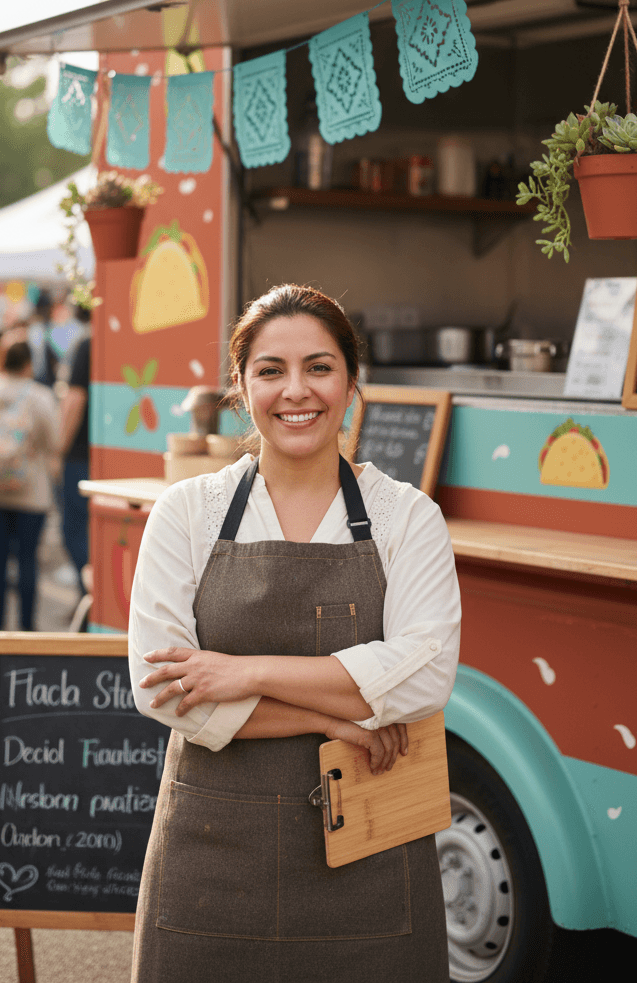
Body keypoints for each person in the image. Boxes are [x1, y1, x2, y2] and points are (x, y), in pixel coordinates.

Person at [128, 285, 461, 981]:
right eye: (271, 370)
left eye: (319, 366)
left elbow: (426, 679)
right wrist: (336, 717)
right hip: (212, 869)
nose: (296, 391)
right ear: (241, 387)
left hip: (372, 870)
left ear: (349, 381)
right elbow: (163, 693)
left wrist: (245, 671)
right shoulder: (187, 513)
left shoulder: (408, 518)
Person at [0, 339, 58, 631]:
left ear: (0, 360)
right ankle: (27, 630)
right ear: (29, 363)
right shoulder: (40, 396)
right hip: (32, 492)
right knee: (27, 561)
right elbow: (53, 441)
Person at [58, 314, 91, 589]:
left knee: (75, 530)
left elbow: (75, 400)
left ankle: (88, 594)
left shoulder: (87, 343)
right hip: (101, 452)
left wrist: (59, 450)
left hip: (80, 454)